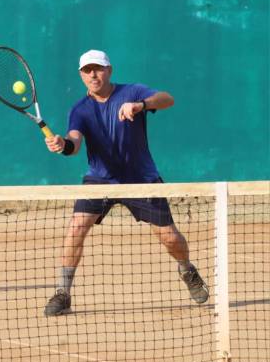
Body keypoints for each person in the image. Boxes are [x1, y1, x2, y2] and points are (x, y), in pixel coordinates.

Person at [42, 49, 209, 317]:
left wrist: (141, 105)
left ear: (109, 70)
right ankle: (63, 293)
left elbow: (168, 99)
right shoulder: (79, 109)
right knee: (76, 228)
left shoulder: (132, 92)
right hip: (100, 179)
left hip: (141, 179)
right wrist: (62, 144)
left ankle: (187, 269)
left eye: (98, 69)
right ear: (81, 75)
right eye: (87, 70)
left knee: (169, 236)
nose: (93, 75)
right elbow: (74, 144)